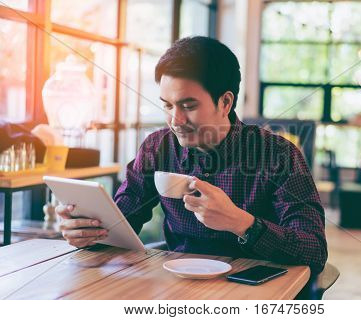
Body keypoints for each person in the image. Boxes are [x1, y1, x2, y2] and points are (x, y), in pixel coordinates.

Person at [56, 36, 327, 274]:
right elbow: (123, 222)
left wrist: (241, 223)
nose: (176, 120)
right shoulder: (157, 148)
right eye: (168, 105)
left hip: (255, 291)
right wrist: (88, 231)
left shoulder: (278, 155)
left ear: (225, 102)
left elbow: (313, 251)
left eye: (188, 105)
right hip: (177, 285)